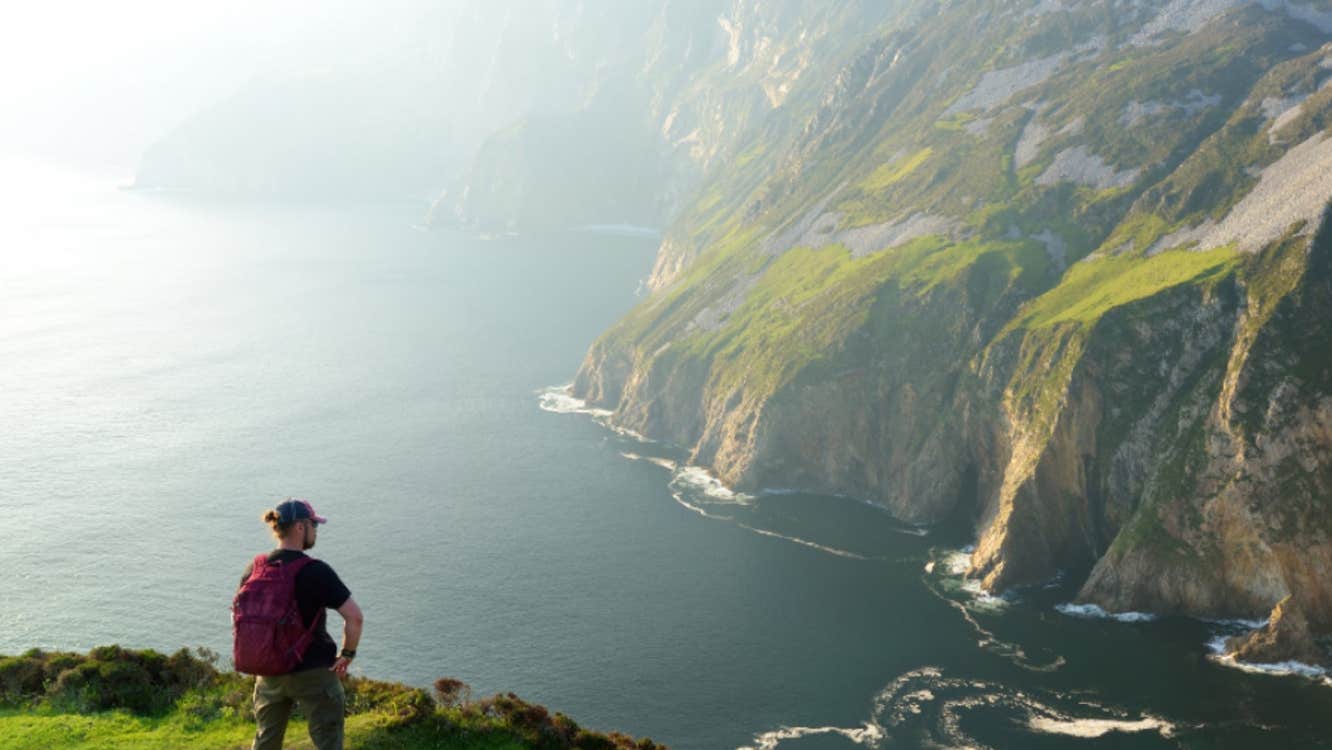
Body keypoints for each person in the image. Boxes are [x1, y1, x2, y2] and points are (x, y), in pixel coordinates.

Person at [240, 498, 364, 750]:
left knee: (266, 740)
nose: (316, 531)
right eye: (313, 525)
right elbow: (355, 617)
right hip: (313, 672)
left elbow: (239, 615)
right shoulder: (316, 571)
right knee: (327, 740)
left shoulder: (256, 568)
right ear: (300, 527)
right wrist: (347, 655)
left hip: (269, 672)